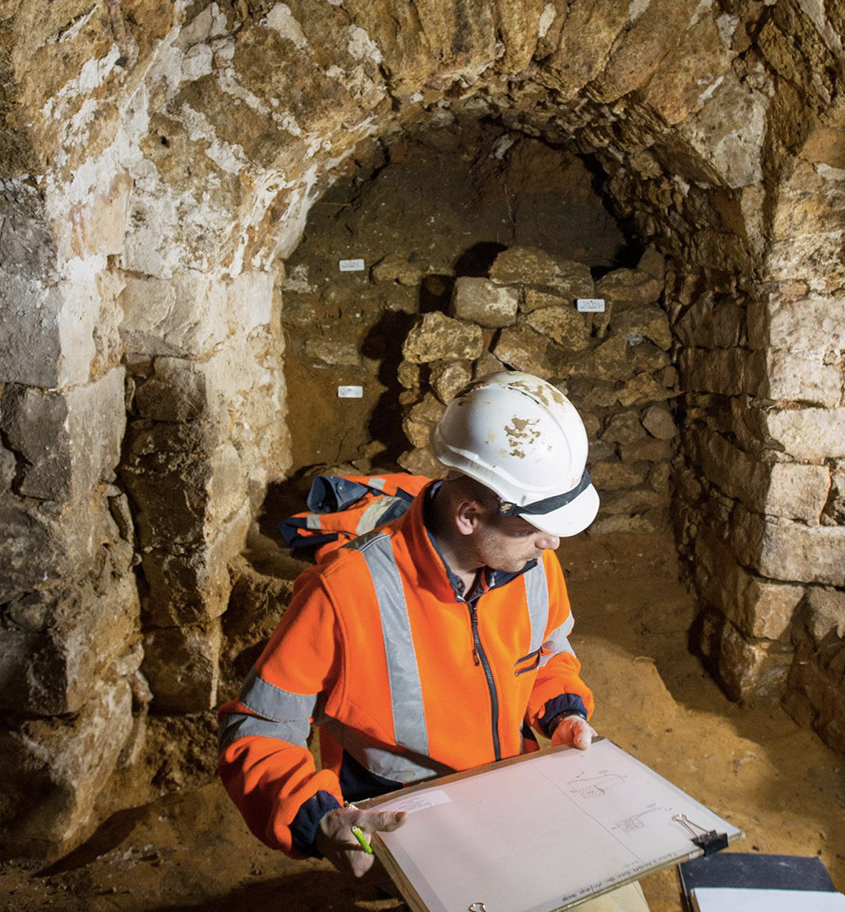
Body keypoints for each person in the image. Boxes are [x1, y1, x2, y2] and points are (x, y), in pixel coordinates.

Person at [218, 371, 649, 911]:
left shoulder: (534, 562)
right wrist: (321, 820)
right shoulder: (345, 592)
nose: (554, 539)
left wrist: (563, 712)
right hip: (410, 825)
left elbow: (548, 656)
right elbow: (258, 730)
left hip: (516, 793)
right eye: (537, 524)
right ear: (469, 514)